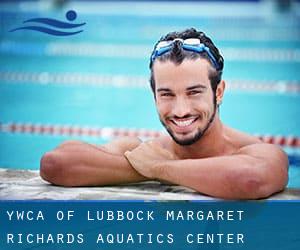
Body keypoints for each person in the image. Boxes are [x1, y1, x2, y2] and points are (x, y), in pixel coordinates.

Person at [40, 28, 288, 199]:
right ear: (154, 95)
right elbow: (56, 164)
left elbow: (249, 180)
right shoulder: (142, 149)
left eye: (194, 93)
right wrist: (158, 166)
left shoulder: (255, 151)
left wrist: (161, 168)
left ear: (219, 91)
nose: (180, 111)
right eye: (167, 94)